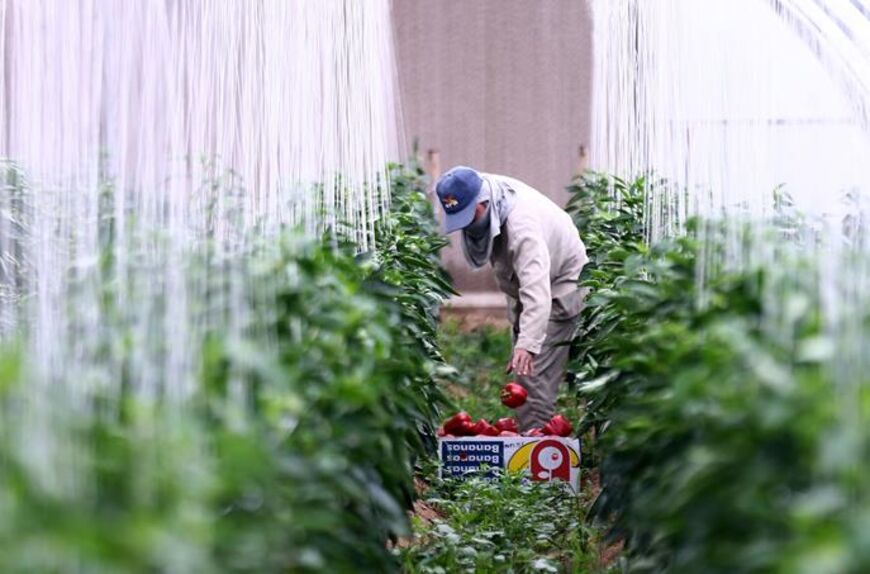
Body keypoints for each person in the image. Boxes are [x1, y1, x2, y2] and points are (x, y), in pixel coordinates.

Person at [435, 166, 588, 431]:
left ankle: (536, 454)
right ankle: (530, 441)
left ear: (482, 202)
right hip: (529, 288)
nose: (467, 226)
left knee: (532, 374)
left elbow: (537, 290)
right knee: (525, 366)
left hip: (559, 288)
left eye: (468, 216)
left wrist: (527, 344)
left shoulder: (522, 227)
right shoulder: (488, 193)